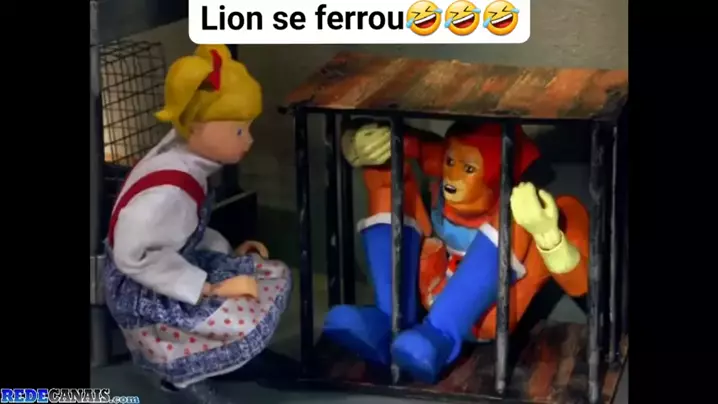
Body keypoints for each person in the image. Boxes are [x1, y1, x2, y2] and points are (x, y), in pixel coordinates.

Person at [323, 121, 588, 383]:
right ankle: (389, 318)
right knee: (384, 166)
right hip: (433, 289)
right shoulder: (446, 163)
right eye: (450, 162)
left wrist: (547, 235)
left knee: (515, 215)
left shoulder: (539, 209)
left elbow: (582, 285)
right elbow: (402, 142)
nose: (452, 177)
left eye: (469, 169)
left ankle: (441, 337)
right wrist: (357, 143)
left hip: (487, 312)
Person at [103, 44, 292, 403]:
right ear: (196, 127)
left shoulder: (184, 160)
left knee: (262, 274)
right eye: (239, 131)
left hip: (170, 267)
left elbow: (182, 233)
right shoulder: (170, 191)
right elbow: (135, 255)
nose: (249, 140)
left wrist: (223, 251)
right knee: (244, 302)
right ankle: (182, 375)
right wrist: (206, 288)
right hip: (147, 291)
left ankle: (220, 362)